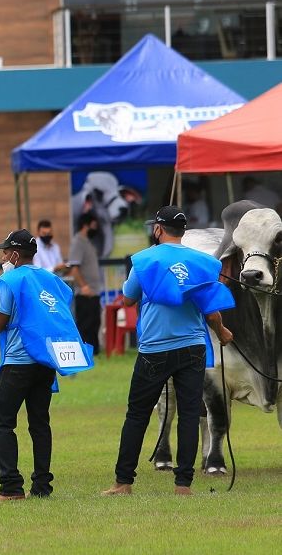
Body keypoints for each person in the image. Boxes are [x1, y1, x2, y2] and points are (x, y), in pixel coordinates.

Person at [101, 206, 234, 497]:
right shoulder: (203, 262)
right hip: (192, 347)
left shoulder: (144, 261)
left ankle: (123, 482)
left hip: (154, 348)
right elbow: (210, 309)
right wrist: (223, 333)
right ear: (182, 231)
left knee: (137, 414)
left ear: (158, 229)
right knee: (189, 413)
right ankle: (182, 485)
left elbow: (127, 300)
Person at [0, 229, 94, 503]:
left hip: (17, 364)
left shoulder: (9, 280)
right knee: (39, 423)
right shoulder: (51, 279)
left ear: (13, 253)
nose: (2, 257)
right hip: (44, 362)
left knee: (2, 423)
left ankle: (10, 487)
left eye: (4, 252)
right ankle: (42, 486)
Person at [66, 212, 102, 352]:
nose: (96, 228)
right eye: (94, 225)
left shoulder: (88, 242)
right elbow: (74, 268)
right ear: (86, 225)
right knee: (86, 325)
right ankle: (85, 352)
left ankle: (95, 352)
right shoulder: (78, 242)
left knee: (94, 324)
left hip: (94, 291)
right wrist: (84, 286)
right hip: (85, 292)